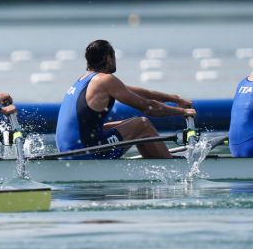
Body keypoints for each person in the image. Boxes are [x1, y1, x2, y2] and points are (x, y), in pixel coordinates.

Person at [55, 39, 195, 159]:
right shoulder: (106, 80)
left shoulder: (84, 80)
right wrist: (182, 112)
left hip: (68, 151)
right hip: (84, 153)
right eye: (114, 55)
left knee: (125, 124)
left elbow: (145, 93)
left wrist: (175, 99)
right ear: (108, 58)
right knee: (142, 124)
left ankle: (155, 162)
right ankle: (173, 169)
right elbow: (149, 107)